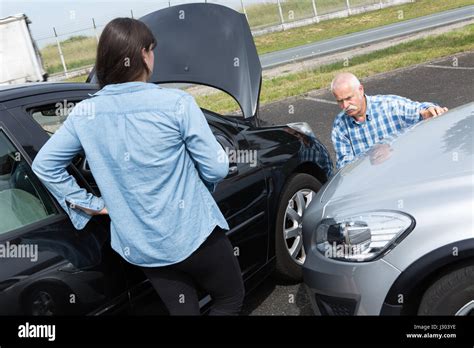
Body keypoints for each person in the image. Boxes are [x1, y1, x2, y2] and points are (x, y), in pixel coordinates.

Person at [32, 18, 244, 315]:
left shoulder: (85, 113)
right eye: (152, 50)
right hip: (194, 233)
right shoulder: (176, 104)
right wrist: (198, 187)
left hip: (142, 245)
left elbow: (44, 165)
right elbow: (217, 169)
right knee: (230, 298)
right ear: (144, 54)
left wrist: (91, 204)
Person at [330, 72, 448, 169]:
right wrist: (369, 156)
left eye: (349, 98)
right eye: (340, 101)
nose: (345, 105)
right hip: (368, 183)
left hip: (404, 170)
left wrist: (428, 110)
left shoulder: (389, 105)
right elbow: (344, 167)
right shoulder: (340, 126)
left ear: (360, 90)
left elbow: (420, 110)